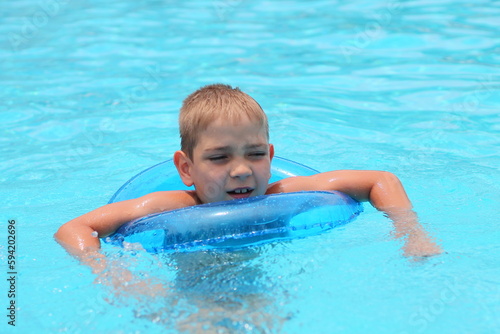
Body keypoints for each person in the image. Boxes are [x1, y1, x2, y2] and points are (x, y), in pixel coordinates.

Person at [55, 83, 442, 259]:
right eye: (219, 158)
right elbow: (73, 229)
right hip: (193, 299)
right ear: (186, 168)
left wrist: (411, 232)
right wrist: (109, 273)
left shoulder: (285, 193)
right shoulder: (168, 205)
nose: (241, 170)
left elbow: (381, 180)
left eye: (255, 154)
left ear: (271, 156)